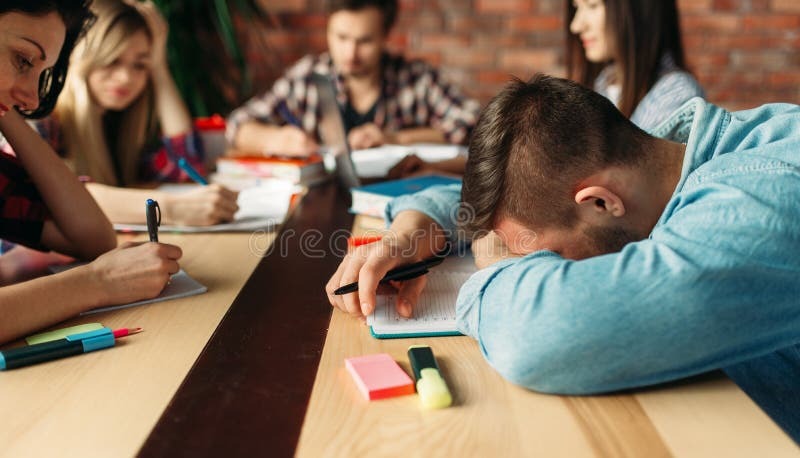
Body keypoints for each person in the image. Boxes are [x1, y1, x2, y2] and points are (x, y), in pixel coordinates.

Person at [326, 74, 800, 440]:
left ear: (599, 202)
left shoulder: (763, 203)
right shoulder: (653, 159)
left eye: (543, 255)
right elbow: (511, 200)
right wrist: (414, 227)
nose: (533, 260)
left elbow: (545, 334)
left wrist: (497, 266)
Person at [0, 1, 181, 344]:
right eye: (22, 59)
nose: (33, 101)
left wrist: (6, 108)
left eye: (43, 74)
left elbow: (94, 237)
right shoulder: (52, 124)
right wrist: (99, 282)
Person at [1, 0, 239, 226]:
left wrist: (159, 67)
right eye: (113, 60)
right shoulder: (42, 119)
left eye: (139, 65)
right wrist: (170, 208)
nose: (126, 77)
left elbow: (184, 167)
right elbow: (45, 198)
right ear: (79, 56)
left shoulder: (121, 121)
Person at [226, 0, 481, 177]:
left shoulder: (416, 79)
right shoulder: (307, 76)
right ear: (328, 30)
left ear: (386, 35)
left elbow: (476, 123)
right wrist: (276, 138)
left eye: (365, 41)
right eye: (341, 37)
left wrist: (395, 138)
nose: (350, 53)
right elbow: (237, 123)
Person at [567, 0, 704, 131]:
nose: (576, 26)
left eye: (592, 5)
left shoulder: (676, 94)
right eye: (577, 6)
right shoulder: (604, 83)